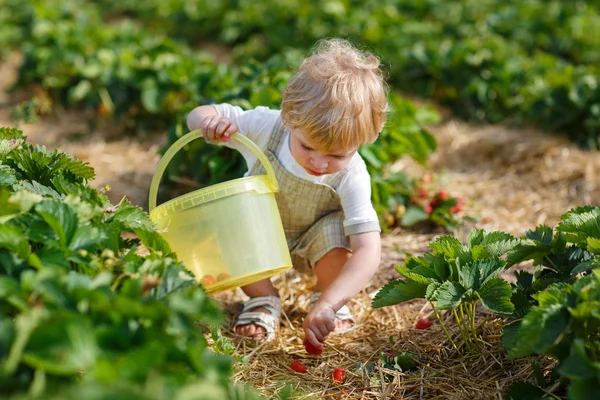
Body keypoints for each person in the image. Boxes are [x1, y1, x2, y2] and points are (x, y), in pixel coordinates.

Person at [186, 38, 387, 350]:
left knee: (337, 239)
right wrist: (209, 122)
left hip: (317, 238)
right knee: (234, 222)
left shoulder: (354, 175)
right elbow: (198, 114)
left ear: (365, 139)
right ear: (288, 117)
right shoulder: (268, 127)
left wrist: (331, 303)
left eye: (337, 155)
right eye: (307, 147)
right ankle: (263, 299)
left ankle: (325, 295)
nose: (319, 163)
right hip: (261, 229)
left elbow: (368, 250)